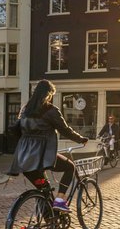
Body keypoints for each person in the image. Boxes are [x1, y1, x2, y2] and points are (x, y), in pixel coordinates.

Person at [8, 80, 89, 212]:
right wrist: (81, 139)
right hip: (42, 155)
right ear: (48, 94)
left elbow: (17, 130)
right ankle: (60, 200)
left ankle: (49, 222)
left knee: (43, 191)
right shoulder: (50, 110)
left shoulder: (25, 110)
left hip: (23, 158)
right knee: (70, 167)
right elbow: (65, 130)